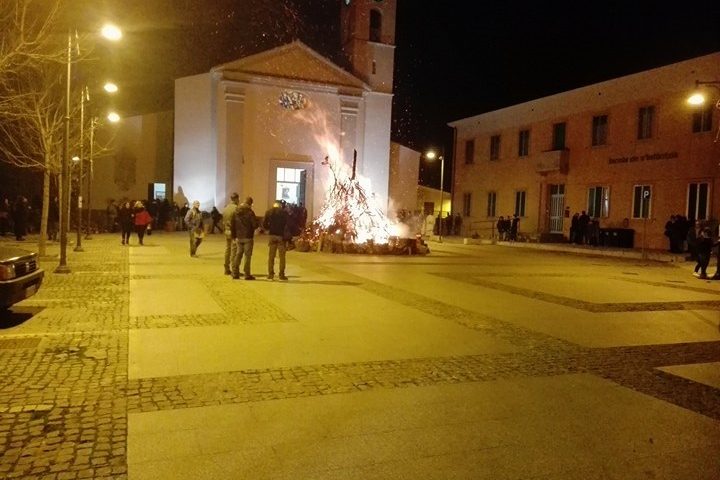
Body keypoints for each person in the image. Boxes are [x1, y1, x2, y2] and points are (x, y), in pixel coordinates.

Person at [230, 196, 259, 280]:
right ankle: (247, 274)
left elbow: (233, 225)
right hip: (248, 237)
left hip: (239, 237)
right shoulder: (250, 212)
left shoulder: (236, 211)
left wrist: (234, 236)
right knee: (247, 256)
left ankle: (235, 273)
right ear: (250, 204)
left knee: (238, 255)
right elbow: (254, 225)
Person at [263, 200, 289, 281]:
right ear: (280, 205)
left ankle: (270, 275)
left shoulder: (269, 212)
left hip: (272, 235)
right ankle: (281, 275)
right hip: (281, 237)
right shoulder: (284, 213)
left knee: (271, 256)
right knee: (282, 257)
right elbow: (288, 224)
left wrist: (268, 229)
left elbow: (264, 224)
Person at [222, 193, 240, 275]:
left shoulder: (226, 208)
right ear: (236, 199)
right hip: (233, 232)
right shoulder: (236, 208)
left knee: (227, 250)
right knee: (234, 251)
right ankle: (234, 269)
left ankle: (226, 268)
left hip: (226, 230)